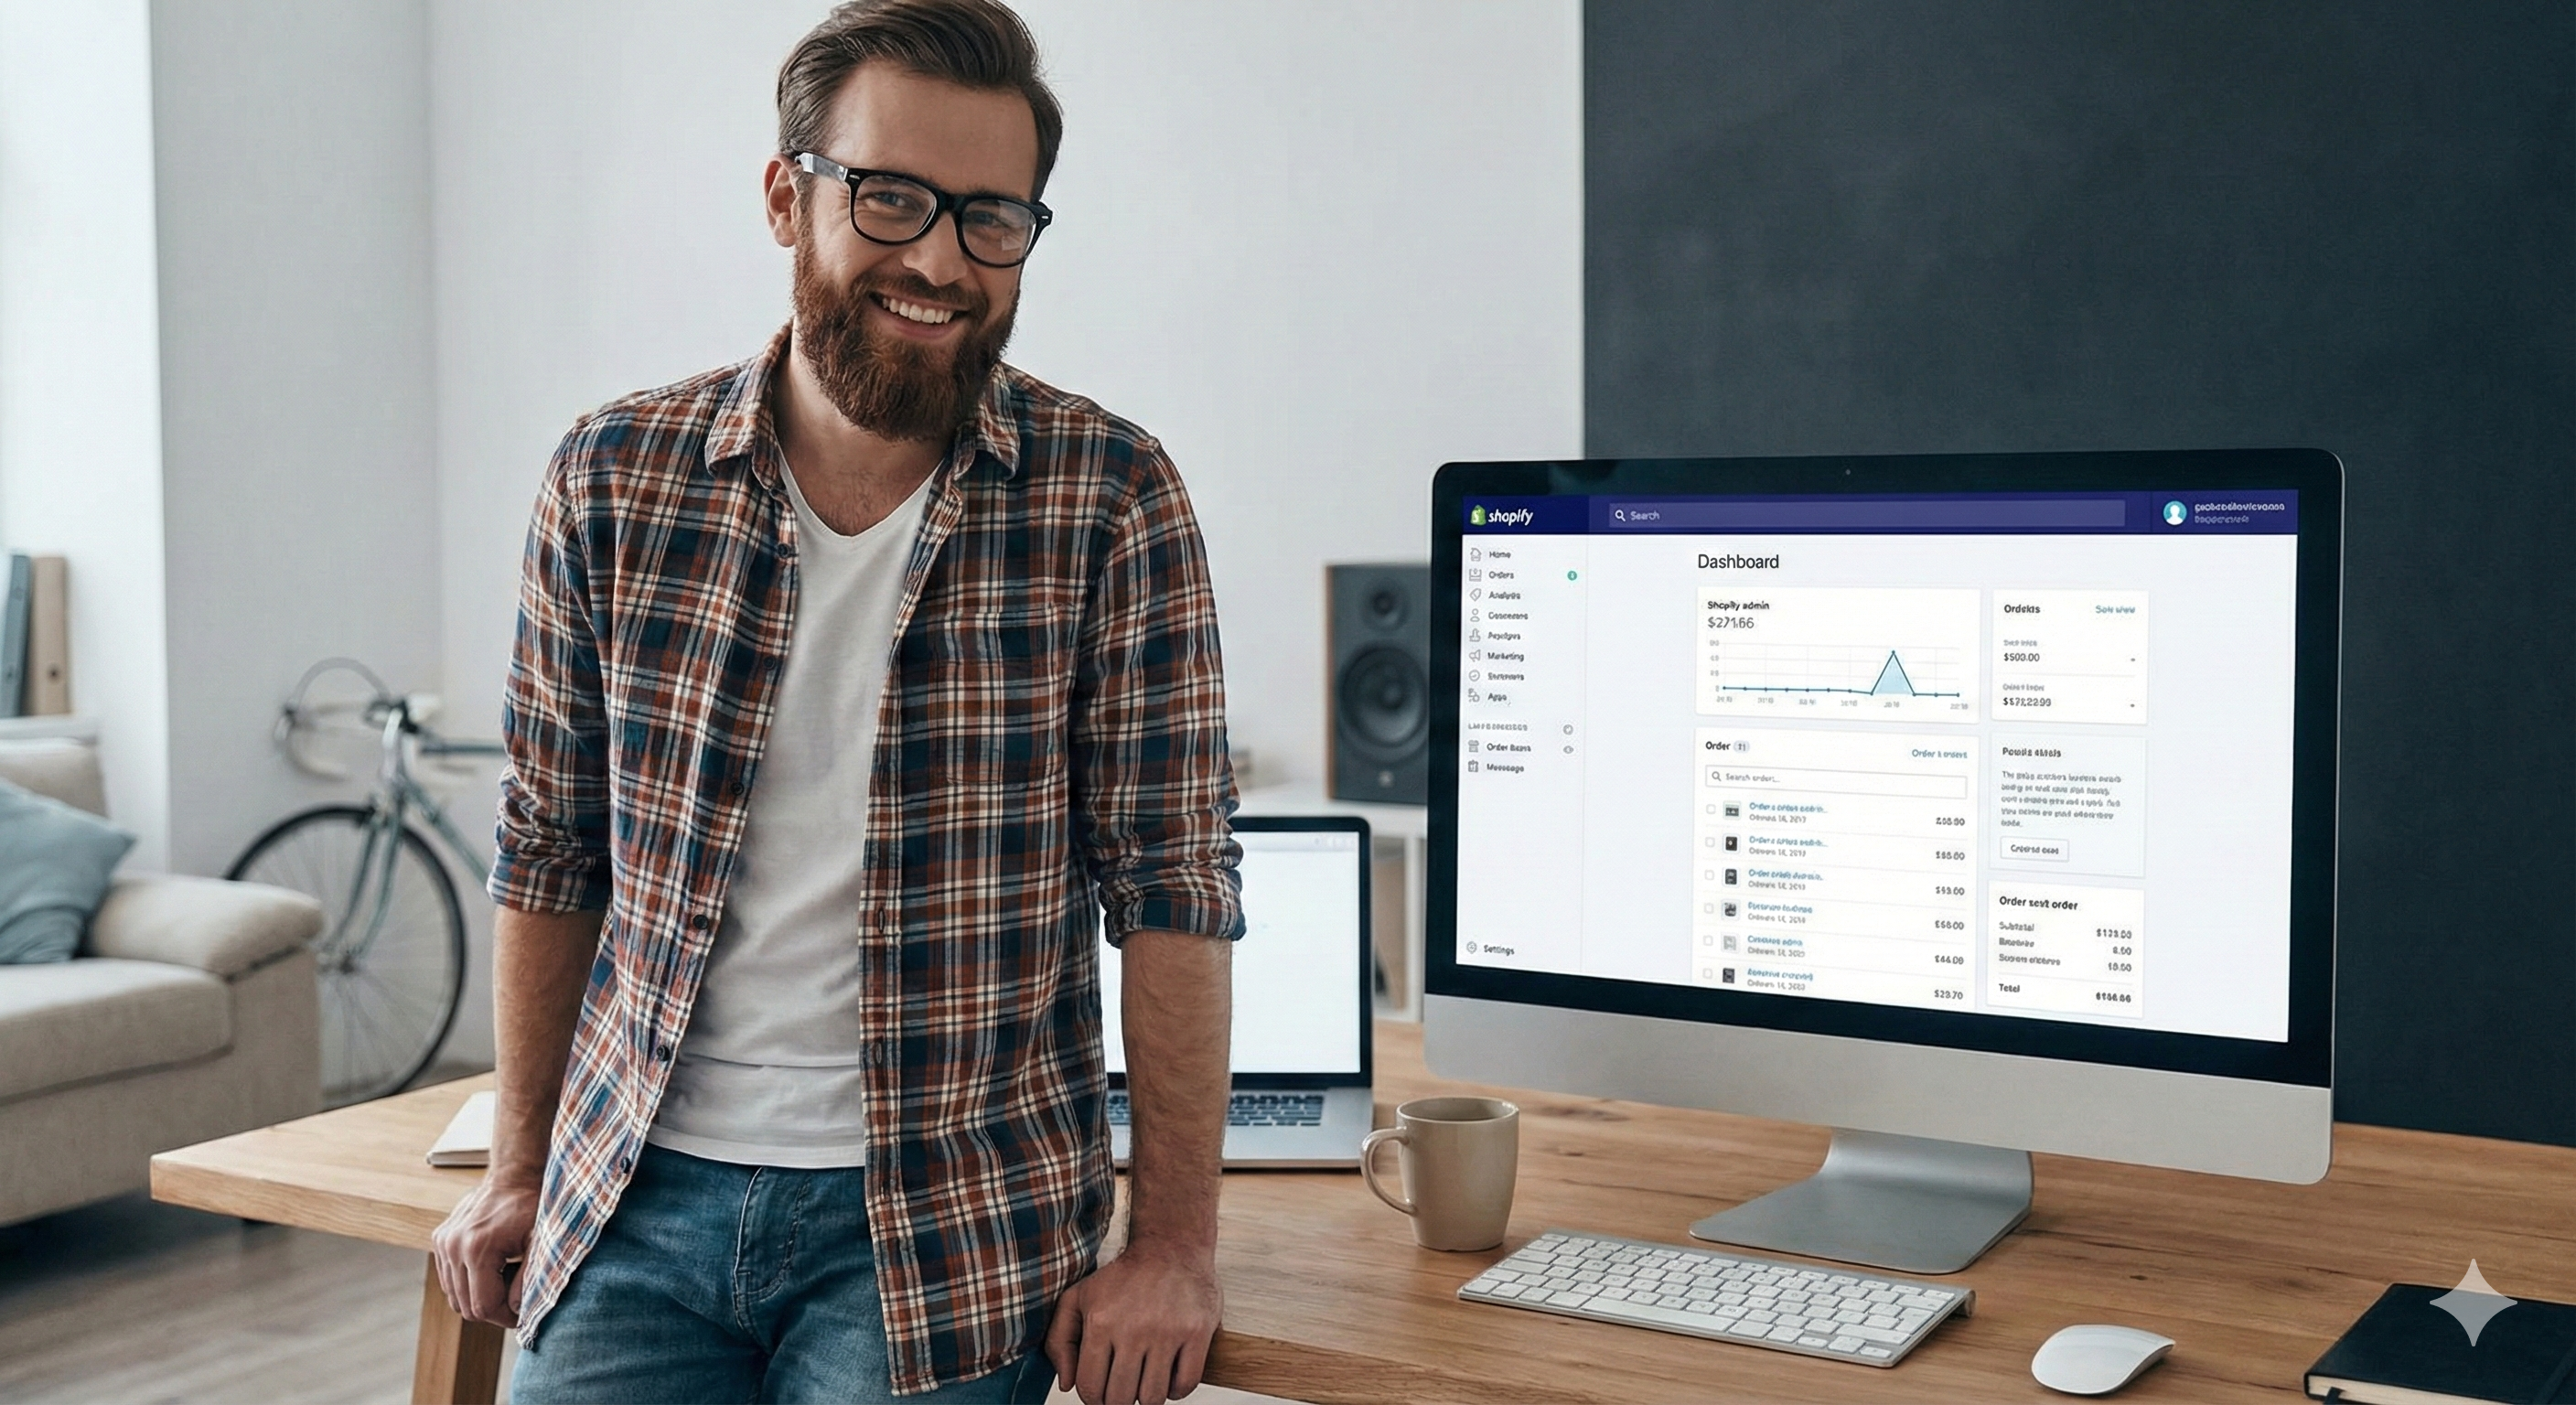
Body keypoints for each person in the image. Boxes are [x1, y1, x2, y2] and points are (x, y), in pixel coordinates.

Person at [427, 3, 1241, 1401]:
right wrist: (518, 1168)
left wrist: (1173, 1243)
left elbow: (1171, 882)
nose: (938, 259)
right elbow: (551, 843)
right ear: (786, 197)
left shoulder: (1112, 497)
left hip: (941, 1229)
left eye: (993, 218)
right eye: (890, 198)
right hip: (631, 1198)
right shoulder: (611, 478)